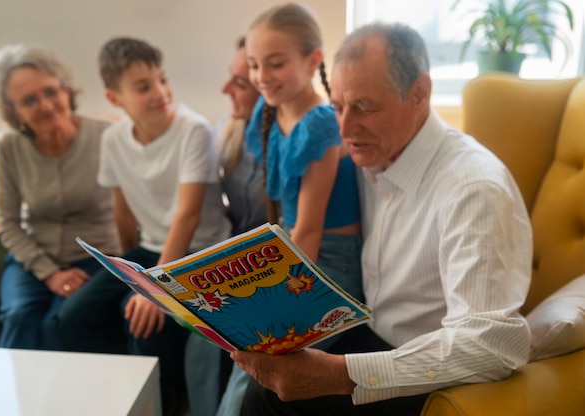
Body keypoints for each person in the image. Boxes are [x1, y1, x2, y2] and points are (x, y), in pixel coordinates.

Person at [232, 21, 533, 416]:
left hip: (426, 368)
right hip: (367, 329)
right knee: (259, 379)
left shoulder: (472, 188)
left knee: (265, 400)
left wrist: (342, 375)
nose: (344, 128)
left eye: (364, 107)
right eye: (338, 107)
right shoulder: (371, 152)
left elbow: (491, 344)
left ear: (420, 94)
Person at [58, 37, 231, 416]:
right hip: (151, 248)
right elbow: (123, 211)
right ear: (114, 98)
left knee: (144, 323)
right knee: (71, 317)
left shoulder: (194, 130)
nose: (160, 92)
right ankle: (111, 398)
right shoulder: (114, 139)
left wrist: (153, 289)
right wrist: (127, 271)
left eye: (162, 80)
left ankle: (163, 404)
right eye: (143, 87)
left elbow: (188, 215)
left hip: (197, 252)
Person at [0, 45, 121, 350]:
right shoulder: (7, 147)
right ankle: (9, 395)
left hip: (96, 255)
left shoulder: (107, 135)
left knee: (59, 321)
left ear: (66, 89)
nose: (45, 105)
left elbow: (135, 208)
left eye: (50, 91)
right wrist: (50, 274)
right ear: (12, 110)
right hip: (32, 257)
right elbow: (7, 223)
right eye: (29, 100)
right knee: (19, 315)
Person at [244, 2, 363, 302]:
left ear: (313, 61)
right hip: (291, 242)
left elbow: (309, 229)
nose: (261, 76)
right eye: (254, 65)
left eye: (276, 63)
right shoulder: (270, 109)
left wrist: (284, 300)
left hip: (331, 257)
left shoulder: (320, 125)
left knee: (265, 337)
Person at [184, 36, 266, 416]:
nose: (224, 89)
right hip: (234, 248)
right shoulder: (229, 130)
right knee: (197, 322)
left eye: (239, 82)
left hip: (267, 255)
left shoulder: (286, 139)